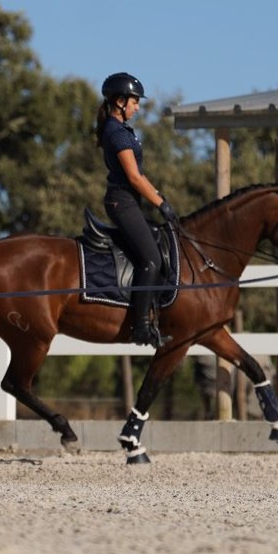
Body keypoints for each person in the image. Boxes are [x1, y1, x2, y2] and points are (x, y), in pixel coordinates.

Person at [95, 72, 178, 348]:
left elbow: (141, 176)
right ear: (120, 101)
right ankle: (140, 326)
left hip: (130, 201)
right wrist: (160, 204)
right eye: (135, 101)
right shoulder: (115, 132)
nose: (138, 107)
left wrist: (158, 196)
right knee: (152, 259)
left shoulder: (122, 130)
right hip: (122, 201)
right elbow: (134, 177)